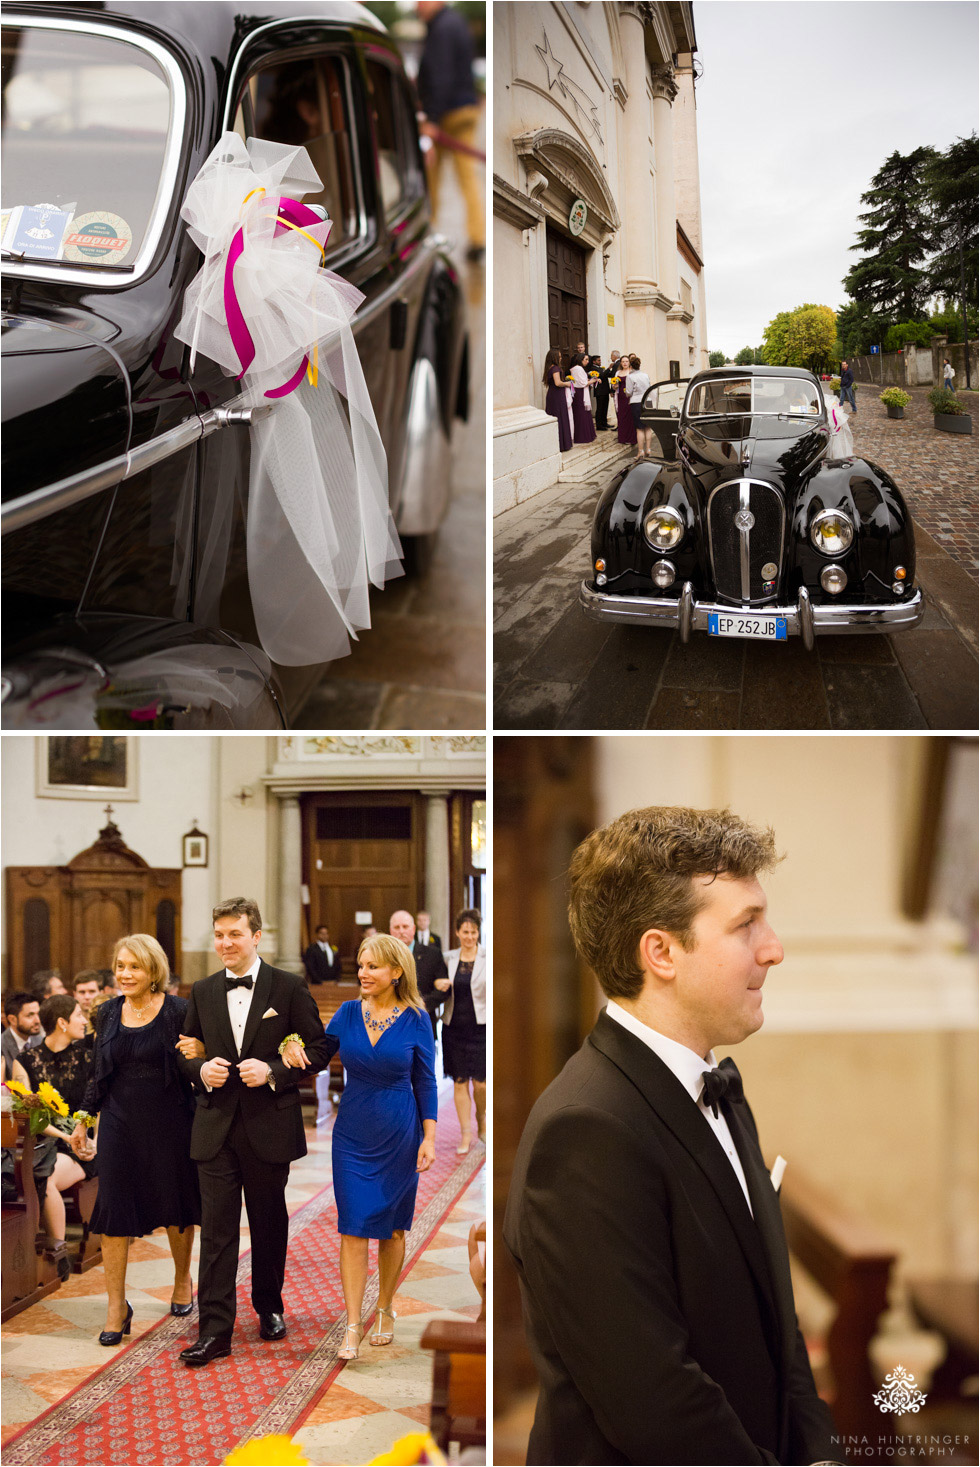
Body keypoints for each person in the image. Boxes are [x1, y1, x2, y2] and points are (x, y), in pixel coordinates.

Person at [504, 806, 837, 1467]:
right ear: (660, 951)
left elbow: (780, 1330)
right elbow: (653, 1401)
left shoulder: (712, 1083)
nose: (773, 947)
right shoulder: (586, 1128)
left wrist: (820, 1453)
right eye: (746, 925)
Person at [174, 898, 330, 1366]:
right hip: (215, 1125)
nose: (225, 943)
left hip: (268, 1124)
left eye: (235, 934)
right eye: (219, 934)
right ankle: (214, 1329)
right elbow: (185, 1052)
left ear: (256, 936)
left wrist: (277, 1070)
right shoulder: (201, 990)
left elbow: (320, 1047)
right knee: (217, 1231)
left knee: (267, 1223)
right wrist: (203, 1070)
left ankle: (269, 1306)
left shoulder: (287, 987)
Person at [286, 934, 437, 1361]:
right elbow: (318, 1055)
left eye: (373, 966)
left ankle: (385, 1307)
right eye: (362, 965)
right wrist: (292, 1049)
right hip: (352, 1133)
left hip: (399, 1132)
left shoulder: (416, 1019)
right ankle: (353, 1323)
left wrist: (428, 1136)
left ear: (396, 971)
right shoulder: (349, 1013)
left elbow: (425, 1080)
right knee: (352, 1227)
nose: (363, 973)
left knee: (391, 1228)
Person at [69, 935, 200, 1346]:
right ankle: (115, 1306)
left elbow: (192, 1065)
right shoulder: (107, 1012)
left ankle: (182, 1280)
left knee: (176, 1205)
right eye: (120, 965)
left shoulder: (179, 1010)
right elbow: (97, 1072)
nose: (124, 974)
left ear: (153, 972)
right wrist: (84, 1117)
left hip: (170, 1121)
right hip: (119, 1123)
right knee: (114, 1210)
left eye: (134, 967)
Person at [17, 994, 95, 1279]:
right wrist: (62, 1136)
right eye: (78, 1015)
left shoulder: (88, 1058)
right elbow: (30, 1115)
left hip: (82, 1145)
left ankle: (56, 1251)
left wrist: (86, 1138)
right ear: (62, 1023)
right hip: (43, 1139)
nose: (84, 1020)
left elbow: (95, 1104)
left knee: (45, 1175)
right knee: (34, 1169)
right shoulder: (25, 1061)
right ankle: (34, 1249)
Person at [416, 1, 484, 261]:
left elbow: (440, 75)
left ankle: (427, 228)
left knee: (432, 174)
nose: (417, 7)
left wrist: (431, 119)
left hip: (447, 114)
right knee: (467, 177)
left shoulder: (441, 28)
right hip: (465, 107)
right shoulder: (456, 23)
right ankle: (478, 237)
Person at [434, 909, 485, 1154]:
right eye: (465, 932)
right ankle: (466, 1135)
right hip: (453, 1027)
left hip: (482, 1028)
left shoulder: (488, 957)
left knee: (482, 1085)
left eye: (473, 931)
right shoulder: (448, 958)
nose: (469, 936)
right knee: (460, 1082)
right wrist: (437, 983)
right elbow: (435, 977)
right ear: (457, 933)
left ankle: (482, 1118)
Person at [389, 910, 448, 1042]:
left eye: (405, 926)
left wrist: (423, 1003)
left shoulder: (433, 954)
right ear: (390, 931)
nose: (401, 931)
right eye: (397, 927)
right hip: (390, 1026)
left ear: (413, 929)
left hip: (422, 1023)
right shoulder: (382, 957)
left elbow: (444, 989)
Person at [1, 991, 42, 1070]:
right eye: (30, 1015)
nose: (38, 1021)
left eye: (38, 1014)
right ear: (12, 1020)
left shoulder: (40, 1041)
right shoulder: (2, 1046)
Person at [543, 347, 573, 452]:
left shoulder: (549, 368)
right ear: (554, 357)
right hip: (557, 396)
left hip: (552, 395)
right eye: (559, 357)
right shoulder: (555, 368)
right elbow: (558, 383)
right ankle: (562, 444)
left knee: (556, 416)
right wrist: (568, 384)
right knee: (560, 417)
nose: (560, 358)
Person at [626, 353, 653, 458]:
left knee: (640, 428)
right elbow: (649, 388)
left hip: (636, 402)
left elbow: (628, 392)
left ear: (631, 366)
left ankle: (640, 451)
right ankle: (649, 449)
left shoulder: (630, 376)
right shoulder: (645, 375)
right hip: (648, 401)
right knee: (648, 426)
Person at [569, 352, 597, 445]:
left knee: (581, 413)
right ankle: (583, 436)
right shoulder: (578, 368)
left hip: (578, 393)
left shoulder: (575, 368)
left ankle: (584, 435)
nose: (587, 362)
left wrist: (590, 381)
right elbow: (582, 383)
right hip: (580, 394)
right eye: (586, 359)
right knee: (582, 413)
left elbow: (581, 381)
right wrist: (593, 380)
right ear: (581, 360)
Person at [615, 354, 637, 447]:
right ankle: (622, 438)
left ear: (629, 362)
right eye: (623, 361)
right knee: (621, 416)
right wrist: (614, 386)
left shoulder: (632, 372)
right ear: (621, 363)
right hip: (620, 397)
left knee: (630, 417)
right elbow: (615, 385)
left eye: (626, 361)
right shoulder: (618, 372)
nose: (625, 363)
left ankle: (631, 438)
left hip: (629, 397)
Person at [594, 350, 619, 431]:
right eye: (598, 360)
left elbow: (608, 375)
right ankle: (599, 425)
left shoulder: (600, 368)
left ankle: (604, 423)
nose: (600, 361)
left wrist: (610, 371)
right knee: (600, 408)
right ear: (594, 361)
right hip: (600, 392)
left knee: (605, 408)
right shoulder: (593, 368)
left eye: (600, 360)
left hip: (605, 391)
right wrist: (609, 368)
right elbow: (602, 375)